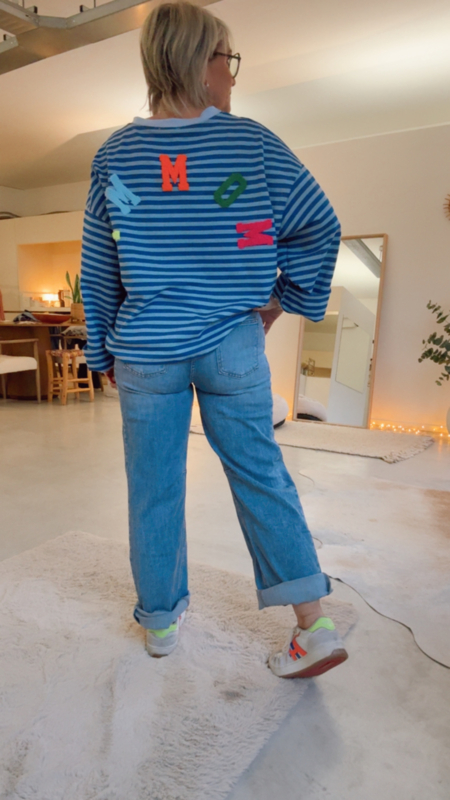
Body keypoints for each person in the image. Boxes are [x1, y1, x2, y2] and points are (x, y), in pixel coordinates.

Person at [81, 1, 348, 679]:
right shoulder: (252, 144)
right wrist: (284, 302)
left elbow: (99, 265)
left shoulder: (115, 155)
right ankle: (313, 626)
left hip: (147, 349)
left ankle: (160, 623)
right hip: (232, 343)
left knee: (153, 488)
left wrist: (100, 351)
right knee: (262, 476)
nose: (232, 74)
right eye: (228, 59)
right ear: (199, 62)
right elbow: (319, 227)